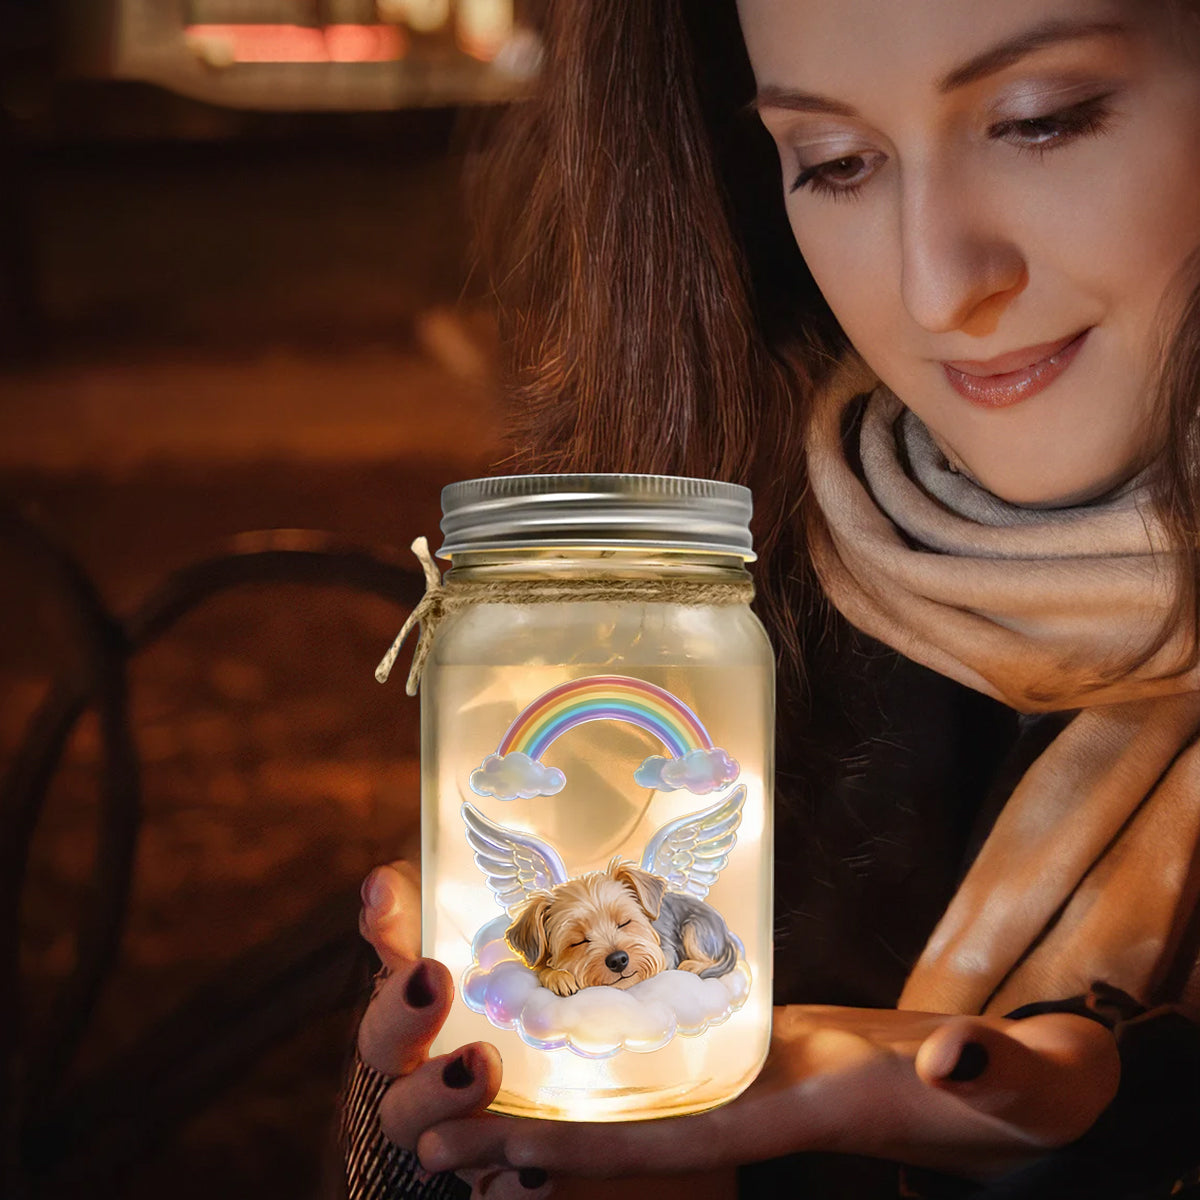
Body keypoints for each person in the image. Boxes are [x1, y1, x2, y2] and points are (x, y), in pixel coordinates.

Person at [342, 1, 1200, 1196]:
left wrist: (1130, 1118)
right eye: (835, 162)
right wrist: (480, 1152)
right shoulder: (749, 603)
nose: (937, 285)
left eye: (1040, 122)